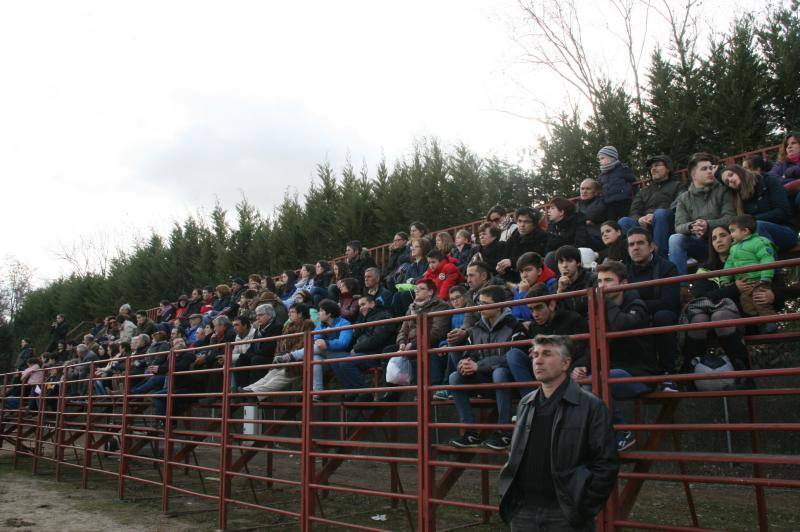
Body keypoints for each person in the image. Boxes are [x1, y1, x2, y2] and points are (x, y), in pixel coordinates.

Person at [498, 334, 619, 531]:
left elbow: (606, 463)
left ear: (565, 363)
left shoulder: (590, 406)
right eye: (535, 354)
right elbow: (515, 452)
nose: (538, 360)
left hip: (565, 514)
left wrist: (584, 506)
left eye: (547, 354)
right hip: (523, 512)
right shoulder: (526, 403)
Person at [571, 262, 659, 451]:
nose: (602, 286)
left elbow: (621, 326)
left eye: (608, 280)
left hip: (640, 374)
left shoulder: (637, 304)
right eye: (600, 281)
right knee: (583, 383)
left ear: (623, 283)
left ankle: (622, 432)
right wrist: (582, 367)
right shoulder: (598, 309)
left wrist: (605, 303)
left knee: (600, 381)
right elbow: (592, 346)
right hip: (611, 372)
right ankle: (597, 438)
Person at [448, 286, 528, 451]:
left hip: (509, 384)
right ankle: (470, 432)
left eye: (485, 303)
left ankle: (504, 431)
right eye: (479, 302)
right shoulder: (476, 328)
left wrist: (480, 365)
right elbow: (467, 354)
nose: (480, 306)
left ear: (499, 305)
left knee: (500, 372)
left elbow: (513, 359)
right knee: (454, 377)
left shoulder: (515, 326)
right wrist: (464, 363)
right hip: (485, 381)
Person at [682, 226, 753, 381]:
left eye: (723, 235)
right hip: (708, 323)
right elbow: (700, 296)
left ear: (732, 237)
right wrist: (734, 289)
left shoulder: (745, 260)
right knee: (699, 319)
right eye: (714, 238)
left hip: (738, 319)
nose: (718, 240)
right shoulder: (704, 268)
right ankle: (691, 371)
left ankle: (744, 373)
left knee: (720, 315)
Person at [506, 285, 587, 397]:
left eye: (538, 308)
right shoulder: (534, 326)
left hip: (567, 369)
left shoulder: (573, 319)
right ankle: (531, 401)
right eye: (531, 309)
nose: (534, 314)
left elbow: (585, 349)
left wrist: (578, 366)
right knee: (513, 354)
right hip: (544, 371)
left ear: (552, 305)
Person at [626, 227, 680, 390]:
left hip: (659, 316)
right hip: (634, 316)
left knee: (663, 316)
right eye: (631, 244)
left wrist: (637, 305)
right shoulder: (623, 271)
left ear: (651, 247)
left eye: (640, 243)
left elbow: (670, 302)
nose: (635, 247)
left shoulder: (667, 267)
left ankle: (667, 374)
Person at [380, 278, 450, 400]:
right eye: (416, 289)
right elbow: (403, 329)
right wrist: (402, 342)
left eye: (421, 289)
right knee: (387, 351)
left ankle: (425, 392)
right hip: (410, 344)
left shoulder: (441, 306)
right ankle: (391, 391)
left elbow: (436, 332)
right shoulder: (412, 307)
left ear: (430, 292)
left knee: (419, 352)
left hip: (429, 343)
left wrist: (412, 344)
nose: (417, 291)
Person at [669, 152, 737, 276]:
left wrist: (707, 224)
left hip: (724, 243)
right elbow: (679, 226)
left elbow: (731, 218)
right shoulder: (683, 198)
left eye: (711, 168)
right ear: (694, 175)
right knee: (675, 239)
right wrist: (692, 226)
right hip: (701, 245)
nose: (710, 171)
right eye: (704, 169)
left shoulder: (723, 191)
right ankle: (680, 287)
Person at [274, 299, 353, 396]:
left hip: (338, 355)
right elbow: (315, 338)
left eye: (321, 311)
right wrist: (322, 339)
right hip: (324, 355)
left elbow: (343, 343)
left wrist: (327, 343)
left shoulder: (345, 323)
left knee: (317, 349)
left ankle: (291, 356)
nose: (318, 313)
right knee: (315, 358)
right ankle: (317, 392)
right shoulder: (321, 324)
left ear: (329, 314)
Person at [330, 294, 396, 401]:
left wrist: (356, 348)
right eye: (360, 306)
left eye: (363, 304)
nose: (361, 308)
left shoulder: (384, 315)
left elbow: (377, 339)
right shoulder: (363, 318)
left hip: (376, 354)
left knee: (345, 362)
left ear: (372, 303)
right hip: (362, 353)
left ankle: (364, 392)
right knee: (334, 361)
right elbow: (355, 334)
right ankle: (352, 392)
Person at [243, 303, 315, 398]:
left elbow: (302, 345)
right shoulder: (288, 326)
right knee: (271, 374)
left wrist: (286, 356)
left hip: (297, 361)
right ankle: (248, 390)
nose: (289, 314)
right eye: (289, 312)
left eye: (292, 312)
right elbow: (280, 345)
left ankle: (256, 393)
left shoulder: (308, 325)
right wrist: (279, 357)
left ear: (300, 314)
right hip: (285, 359)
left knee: (280, 375)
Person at [618, 155, 683, 260]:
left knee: (660, 214)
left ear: (668, 168)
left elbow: (680, 204)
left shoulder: (678, 186)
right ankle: (633, 260)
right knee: (623, 221)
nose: (653, 169)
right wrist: (639, 219)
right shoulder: (644, 191)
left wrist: (655, 215)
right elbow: (634, 211)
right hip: (646, 228)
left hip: (668, 224)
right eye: (651, 167)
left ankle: (660, 259)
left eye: (657, 165)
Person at [721, 164, 797, 251]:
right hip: (756, 236)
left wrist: (752, 220)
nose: (730, 180)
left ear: (740, 171)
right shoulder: (738, 199)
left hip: (785, 231)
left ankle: (768, 263)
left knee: (759, 225)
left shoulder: (768, 181)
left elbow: (783, 212)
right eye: (727, 182)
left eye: (731, 175)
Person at [719, 214, 778, 328]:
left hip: (759, 281)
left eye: (732, 231)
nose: (731, 235)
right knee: (746, 303)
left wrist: (766, 278)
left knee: (760, 300)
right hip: (744, 282)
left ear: (745, 231)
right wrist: (724, 279)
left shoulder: (759, 242)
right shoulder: (733, 248)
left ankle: (770, 322)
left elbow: (767, 259)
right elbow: (729, 265)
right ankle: (759, 325)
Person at [498, 207, 547, 281]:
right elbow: (505, 257)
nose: (522, 225)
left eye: (526, 222)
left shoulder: (541, 236)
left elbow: (533, 258)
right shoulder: (514, 236)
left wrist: (512, 262)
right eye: (519, 221)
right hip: (515, 276)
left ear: (534, 224)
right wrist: (502, 269)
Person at [509, 252, 556, 323]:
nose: (524, 275)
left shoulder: (552, 284)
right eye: (521, 271)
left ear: (539, 271)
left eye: (528, 270)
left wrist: (523, 294)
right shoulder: (520, 288)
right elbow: (516, 315)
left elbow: (532, 317)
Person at [544, 197, 590, 269]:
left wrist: (561, 254)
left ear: (561, 212)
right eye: (549, 208)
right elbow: (548, 246)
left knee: (550, 257)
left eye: (552, 208)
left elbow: (580, 243)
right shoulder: (552, 226)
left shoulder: (577, 223)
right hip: (558, 258)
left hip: (573, 257)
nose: (548, 211)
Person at [554, 246, 596, 317]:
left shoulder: (592, 278)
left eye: (569, 261)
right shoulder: (556, 284)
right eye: (561, 262)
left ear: (578, 263)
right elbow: (554, 313)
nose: (564, 265)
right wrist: (560, 291)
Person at [597, 145, 636, 220]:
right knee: (612, 223)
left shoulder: (622, 168)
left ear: (611, 157)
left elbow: (632, 179)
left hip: (623, 201)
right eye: (599, 159)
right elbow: (601, 186)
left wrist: (626, 190)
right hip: (609, 203)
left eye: (602, 158)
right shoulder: (602, 174)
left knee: (625, 219)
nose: (600, 161)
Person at [576, 178, 608, 250]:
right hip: (583, 235)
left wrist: (580, 221)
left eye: (588, 189)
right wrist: (585, 221)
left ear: (596, 192)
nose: (584, 191)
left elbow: (589, 215)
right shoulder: (578, 204)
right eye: (582, 189)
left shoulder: (601, 202)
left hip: (596, 236)